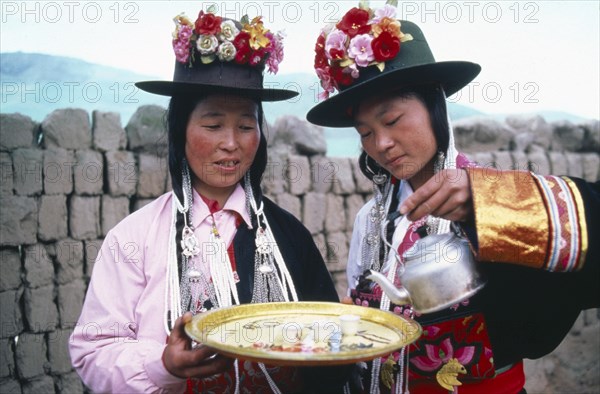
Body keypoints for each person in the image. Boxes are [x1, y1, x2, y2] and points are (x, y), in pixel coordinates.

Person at [306, 2, 599, 393]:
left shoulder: (504, 202)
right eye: (365, 133)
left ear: (434, 106)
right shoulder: (371, 220)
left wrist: (483, 209)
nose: (382, 144)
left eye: (392, 120)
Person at [69, 10, 345, 393]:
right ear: (180, 129)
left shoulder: (289, 238)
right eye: (213, 125)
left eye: (246, 126)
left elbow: (331, 351)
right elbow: (93, 351)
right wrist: (162, 364)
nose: (231, 143)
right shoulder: (135, 237)